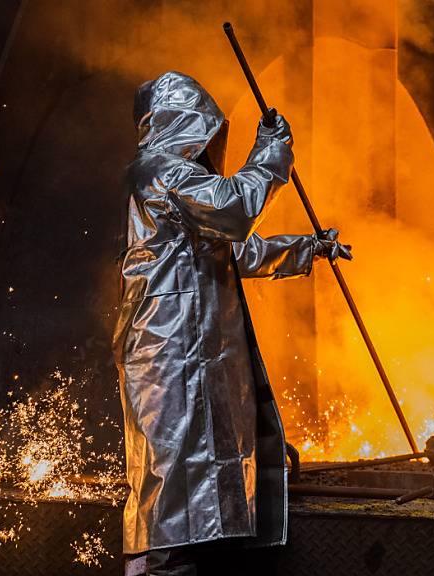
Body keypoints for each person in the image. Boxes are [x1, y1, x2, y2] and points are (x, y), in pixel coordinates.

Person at [114, 71, 350, 575]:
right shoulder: (158, 172)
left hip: (188, 358)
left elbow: (239, 251)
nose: (209, 143)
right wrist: (272, 154)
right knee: (171, 500)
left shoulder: (176, 188)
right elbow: (237, 208)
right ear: (182, 125)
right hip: (169, 357)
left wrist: (309, 247)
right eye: (203, 129)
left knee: (195, 501)